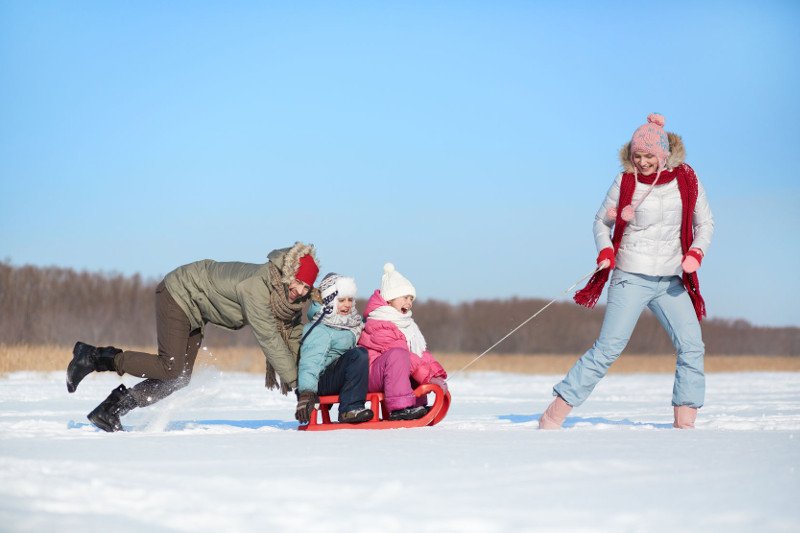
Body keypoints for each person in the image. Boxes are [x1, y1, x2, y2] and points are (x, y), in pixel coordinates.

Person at [539, 114, 714, 430]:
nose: (643, 163)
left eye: (649, 156)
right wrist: (605, 249)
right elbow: (600, 222)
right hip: (630, 275)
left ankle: (685, 425)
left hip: (672, 278)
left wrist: (696, 252)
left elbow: (706, 223)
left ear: (663, 154)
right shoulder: (625, 182)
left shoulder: (687, 179)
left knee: (692, 346)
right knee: (608, 348)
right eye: (637, 156)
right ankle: (554, 414)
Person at [66, 241, 320, 432]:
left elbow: (294, 334)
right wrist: (299, 385)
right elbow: (269, 337)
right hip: (180, 293)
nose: (299, 291)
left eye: (306, 287)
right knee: (170, 366)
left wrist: (306, 374)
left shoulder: (285, 300)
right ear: (287, 276)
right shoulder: (258, 287)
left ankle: (110, 410)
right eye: (297, 282)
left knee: (179, 378)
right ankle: (93, 357)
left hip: (196, 308)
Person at [358, 263, 448, 421]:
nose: (409, 302)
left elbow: (420, 353)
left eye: (411, 298)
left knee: (411, 356)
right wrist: (428, 378)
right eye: (405, 297)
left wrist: (436, 375)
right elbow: (405, 356)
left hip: (391, 373)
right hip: (372, 375)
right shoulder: (379, 323)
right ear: (389, 299)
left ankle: (415, 404)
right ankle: (400, 408)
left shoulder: (407, 325)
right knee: (400, 356)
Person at [294, 273, 373, 424]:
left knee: (364, 356)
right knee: (358, 355)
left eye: (350, 300)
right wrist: (306, 392)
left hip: (340, 376)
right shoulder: (320, 328)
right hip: (320, 381)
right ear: (329, 301)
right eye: (341, 300)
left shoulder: (352, 323)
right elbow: (311, 361)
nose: (347, 304)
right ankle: (349, 409)